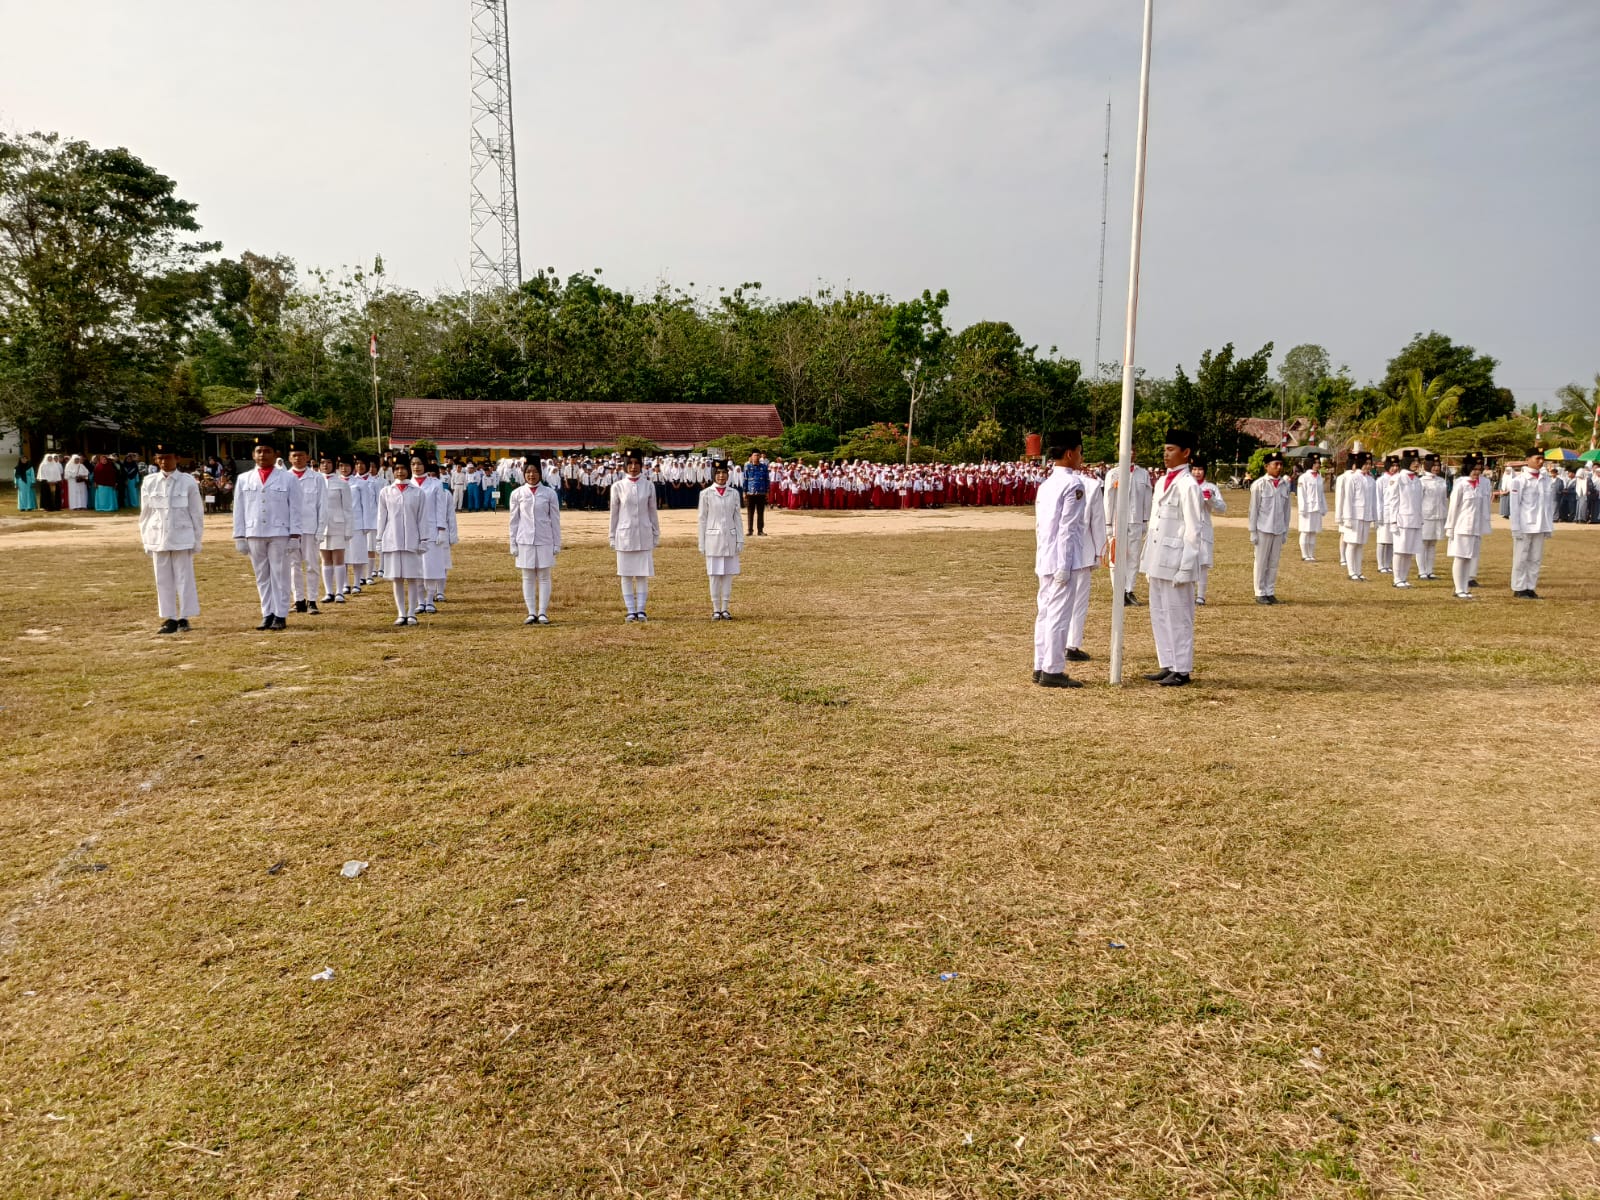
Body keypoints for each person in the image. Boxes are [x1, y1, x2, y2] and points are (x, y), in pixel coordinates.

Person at [1139, 430, 1204, 687]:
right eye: (1164, 449)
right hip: (1158, 557)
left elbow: (1193, 529)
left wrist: (1186, 567)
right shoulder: (1163, 481)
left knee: (1178, 616)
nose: (1165, 454)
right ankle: (1167, 662)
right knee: (1160, 613)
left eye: (1171, 449)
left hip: (1176, 559)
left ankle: (1182, 668)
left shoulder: (1188, 485)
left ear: (1186, 453)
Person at [1030, 432, 1092, 688]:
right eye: (1079, 451)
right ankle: (1053, 670)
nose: (1080, 457)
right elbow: (1067, 529)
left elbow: (1041, 527)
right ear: (1070, 453)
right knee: (1058, 616)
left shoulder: (1046, 484)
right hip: (1061, 561)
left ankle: (1040, 664)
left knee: (1045, 613)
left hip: (1045, 557)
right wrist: (1065, 567)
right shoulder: (1073, 485)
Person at [233, 438, 303, 630]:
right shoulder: (244, 478)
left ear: (275, 454)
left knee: (280, 574)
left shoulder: (288, 478)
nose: (262, 455)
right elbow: (239, 509)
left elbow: (296, 508)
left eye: (267, 451)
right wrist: (239, 535)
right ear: (253, 455)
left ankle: (280, 614)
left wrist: (295, 535)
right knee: (261, 576)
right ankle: (267, 613)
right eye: (259, 451)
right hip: (254, 531)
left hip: (280, 531)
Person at [138, 444, 204, 634]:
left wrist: (197, 539)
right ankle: (169, 617)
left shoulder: (188, 481)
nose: (164, 462)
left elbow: (196, 513)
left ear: (177, 458)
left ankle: (184, 616)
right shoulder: (150, 481)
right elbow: (146, 513)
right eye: (160, 458)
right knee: (162, 579)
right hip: (158, 535)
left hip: (182, 535)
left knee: (185, 577)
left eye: (168, 457)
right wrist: (146, 539)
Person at [508, 452, 562, 624]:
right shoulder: (517, 493)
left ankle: (543, 612)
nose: (531, 475)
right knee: (528, 576)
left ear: (540, 473)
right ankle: (531, 612)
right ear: (524, 473)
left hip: (545, 539)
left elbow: (555, 520)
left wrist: (556, 543)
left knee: (544, 576)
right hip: (524, 540)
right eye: (528, 472)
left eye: (535, 471)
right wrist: (513, 543)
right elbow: (513, 521)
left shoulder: (549, 493)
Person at [375, 459, 430, 625]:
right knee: (396, 578)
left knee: (412, 578)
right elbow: (381, 517)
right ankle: (401, 613)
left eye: (403, 468)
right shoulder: (386, 492)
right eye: (397, 468)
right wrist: (379, 538)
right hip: (392, 539)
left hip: (412, 540)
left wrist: (423, 540)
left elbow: (422, 518)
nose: (400, 472)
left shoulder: (418, 492)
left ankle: (412, 612)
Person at [609, 449, 660, 622]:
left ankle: (641, 609)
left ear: (641, 465)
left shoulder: (648, 485)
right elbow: (614, 513)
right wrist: (611, 535)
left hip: (644, 533)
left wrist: (655, 533)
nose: (633, 467)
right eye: (629, 463)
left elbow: (653, 511)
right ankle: (630, 610)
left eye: (636, 463)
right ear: (624, 466)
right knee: (626, 573)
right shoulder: (618, 486)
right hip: (624, 534)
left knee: (641, 574)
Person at [698, 457, 746, 620]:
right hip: (712, 539)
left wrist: (740, 539)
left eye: (724, 473)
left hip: (730, 539)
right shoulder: (705, 494)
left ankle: (725, 608)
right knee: (714, 575)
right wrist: (701, 542)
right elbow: (702, 519)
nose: (721, 476)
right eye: (718, 473)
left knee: (727, 574)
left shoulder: (734, 493)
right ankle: (716, 608)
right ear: (713, 474)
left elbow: (737, 517)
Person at [1104, 458, 1153, 606]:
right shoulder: (1113, 473)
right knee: (1116, 557)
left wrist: (1145, 519)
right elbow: (1108, 498)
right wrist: (1107, 523)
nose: (1130, 453)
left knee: (1133, 557)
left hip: (1136, 520)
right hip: (1116, 521)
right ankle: (1118, 592)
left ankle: (1129, 590)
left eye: (1133, 449)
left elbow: (1147, 498)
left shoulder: (1142, 474)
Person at [1508, 448, 1556, 598]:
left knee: (1535, 558)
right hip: (1525, 525)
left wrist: (1549, 526)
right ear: (1527, 459)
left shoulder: (1545, 479)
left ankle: (1530, 587)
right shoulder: (1519, 480)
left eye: (1543, 458)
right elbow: (1514, 506)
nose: (1541, 461)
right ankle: (1519, 587)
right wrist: (1515, 527)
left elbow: (1547, 506)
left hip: (1540, 525)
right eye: (1537, 458)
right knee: (1521, 557)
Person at [283, 445, 326, 614]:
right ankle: (299, 600)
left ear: (307, 457)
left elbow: (322, 505)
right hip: (290, 530)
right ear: (289, 458)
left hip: (310, 528)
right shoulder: (284, 477)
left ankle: (312, 600)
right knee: (293, 566)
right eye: (294, 455)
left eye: (301, 455)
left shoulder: (317, 478)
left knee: (312, 565)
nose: (298, 458)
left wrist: (321, 529)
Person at [1247, 451, 1291, 604]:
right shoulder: (1259, 485)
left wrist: (1285, 529)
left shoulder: (1285, 485)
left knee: (1273, 562)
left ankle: (1270, 591)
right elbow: (1254, 510)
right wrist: (1253, 531)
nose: (1279, 467)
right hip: (1263, 528)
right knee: (1261, 561)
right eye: (1275, 464)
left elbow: (1287, 510)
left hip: (1278, 528)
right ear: (1267, 466)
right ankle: (1259, 592)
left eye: (1280, 464)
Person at [1445, 455, 1488, 599]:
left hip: (1474, 528)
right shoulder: (1461, 484)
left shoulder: (1480, 485)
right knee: (1460, 558)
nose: (1476, 472)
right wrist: (1450, 527)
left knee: (1469, 558)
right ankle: (1458, 589)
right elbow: (1453, 508)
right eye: (1474, 469)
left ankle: (1464, 587)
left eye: (1478, 469)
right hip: (1461, 527)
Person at [316, 455, 353, 604]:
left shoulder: (341, 483)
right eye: (323, 462)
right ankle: (328, 592)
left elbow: (348, 508)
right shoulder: (316, 482)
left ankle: (339, 592)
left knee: (338, 559)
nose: (325, 465)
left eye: (329, 462)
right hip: (320, 526)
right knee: (325, 559)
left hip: (338, 524)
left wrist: (349, 529)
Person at [1335, 453, 1376, 581]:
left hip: (1365, 515)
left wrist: (1374, 517)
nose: (1368, 466)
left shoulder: (1371, 479)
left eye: (1370, 464)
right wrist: (1346, 518)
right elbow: (1348, 499)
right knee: (1352, 543)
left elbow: (1373, 500)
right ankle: (1351, 571)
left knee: (1360, 545)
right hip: (1354, 516)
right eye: (1366, 464)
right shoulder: (1353, 478)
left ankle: (1358, 571)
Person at [1388, 453, 1424, 587]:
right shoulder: (1397, 479)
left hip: (1414, 520)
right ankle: (1397, 579)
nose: (1416, 464)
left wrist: (1420, 519)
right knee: (1400, 550)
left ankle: (1404, 578)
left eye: (1417, 461)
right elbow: (1393, 501)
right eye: (1414, 461)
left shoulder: (1417, 480)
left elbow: (1419, 502)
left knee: (1409, 551)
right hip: (1401, 520)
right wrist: (1393, 521)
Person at [1193, 463, 1225, 606]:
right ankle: (1187, 594)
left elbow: (1222, 508)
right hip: (1186, 528)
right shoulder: (1185, 485)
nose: (1197, 472)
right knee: (1186, 562)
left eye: (1200, 469)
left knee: (1203, 563)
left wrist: (1211, 499)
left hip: (1204, 528)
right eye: (1194, 469)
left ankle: (1201, 596)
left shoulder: (1211, 487)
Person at [1418, 455, 1449, 580]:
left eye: (1438, 466)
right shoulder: (1422, 481)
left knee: (1432, 544)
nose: (1436, 468)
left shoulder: (1441, 481)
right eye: (1434, 466)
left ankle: (1430, 570)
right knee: (1423, 543)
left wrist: (1445, 515)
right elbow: (1418, 500)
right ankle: (1422, 571)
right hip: (1426, 515)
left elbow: (1444, 500)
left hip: (1438, 515)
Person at [1373, 456, 1401, 575]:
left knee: (1391, 541)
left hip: (1395, 514)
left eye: (1396, 466)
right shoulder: (1381, 481)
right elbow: (1378, 499)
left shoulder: (1399, 479)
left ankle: (1388, 564)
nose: (1394, 469)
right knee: (1382, 541)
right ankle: (1381, 565)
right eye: (1392, 466)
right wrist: (1379, 516)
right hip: (1384, 513)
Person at [1296, 456, 1326, 561]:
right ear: (1310, 464)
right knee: (1305, 531)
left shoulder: (1319, 477)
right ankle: (1305, 555)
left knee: (1313, 531)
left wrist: (1324, 507)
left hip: (1316, 508)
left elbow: (1321, 494)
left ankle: (1311, 554)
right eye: (1316, 463)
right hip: (1307, 508)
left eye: (1318, 462)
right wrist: (1302, 508)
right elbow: (1301, 494)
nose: (1318, 465)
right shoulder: (1303, 477)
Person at [744, 450, 770, 536]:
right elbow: (745, 479)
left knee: (760, 513)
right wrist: (744, 492)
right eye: (755, 455)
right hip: (750, 493)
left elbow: (767, 480)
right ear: (751, 457)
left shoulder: (764, 467)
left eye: (758, 455)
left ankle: (760, 530)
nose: (756, 457)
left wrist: (767, 491)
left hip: (761, 492)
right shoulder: (747, 467)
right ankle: (750, 530)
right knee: (750, 513)